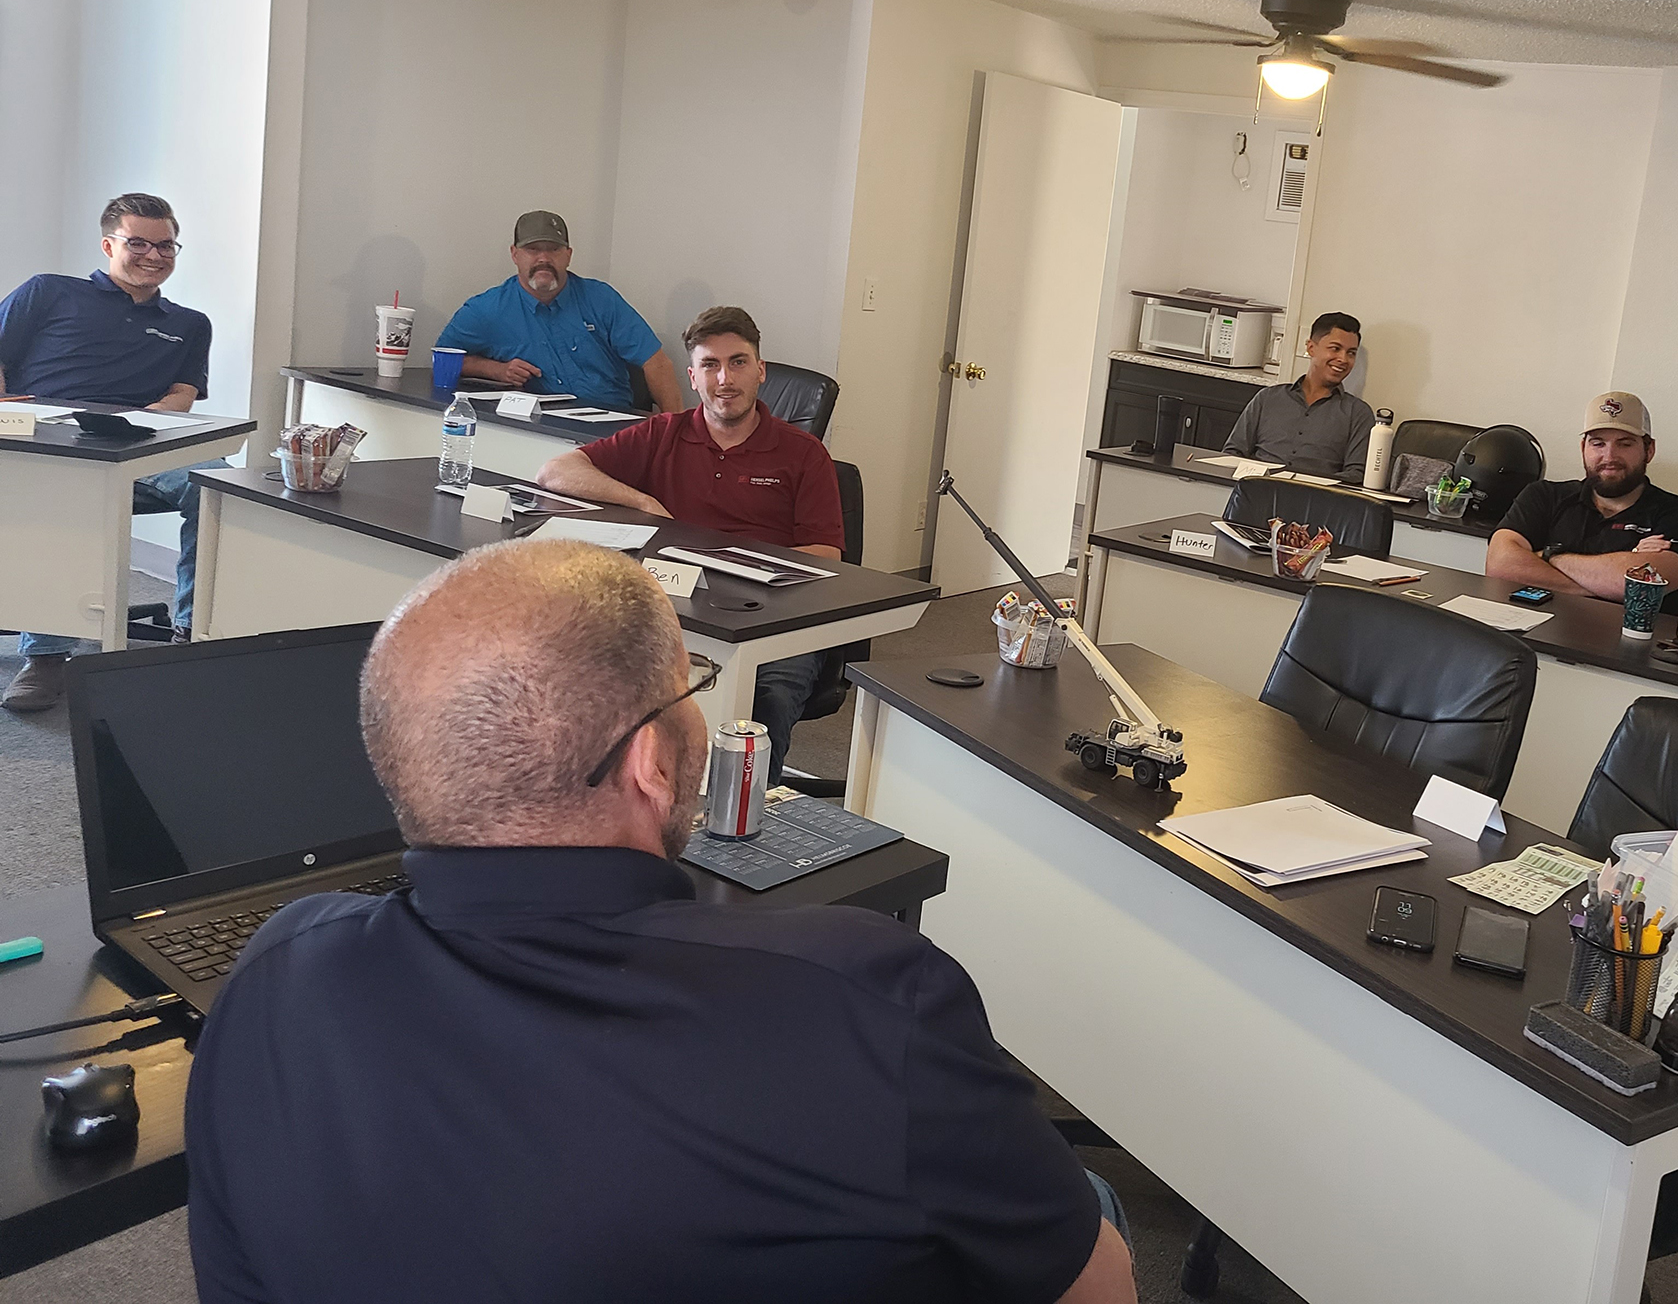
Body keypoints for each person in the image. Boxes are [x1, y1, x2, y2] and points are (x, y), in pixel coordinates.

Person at [183, 539, 1136, 1304]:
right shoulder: (862, 995)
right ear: (650, 763)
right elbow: (1096, 1288)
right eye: (689, 694)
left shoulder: (277, 975)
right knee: (1092, 1207)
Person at [537, 305, 839, 775]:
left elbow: (825, 556)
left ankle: (745, 820)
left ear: (761, 371)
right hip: (676, 606)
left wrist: (741, 569)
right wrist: (639, 499)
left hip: (773, 618)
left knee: (766, 702)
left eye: (738, 362)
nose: (725, 379)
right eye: (710, 366)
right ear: (693, 377)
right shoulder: (665, 434)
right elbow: (556, 470)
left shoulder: (804, 454)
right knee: (592, 671)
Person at [0, 193, 218, 712]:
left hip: (135, 441)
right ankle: (47, 656)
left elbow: (184, 392)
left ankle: (194, 637)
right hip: (44, 438)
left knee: (218, 489)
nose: (154, 254)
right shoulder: (49, 292)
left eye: (166, 245)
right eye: (137, 242)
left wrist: (158, 412)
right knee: (63, 496)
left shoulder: (190, 322)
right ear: (108, 245)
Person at [436, 210, 677, 412]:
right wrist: (496, 370)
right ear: (515, 254)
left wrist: (676, 432)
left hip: (611, 423)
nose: (544, 258)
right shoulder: (486, 309)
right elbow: (443, 359)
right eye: (532, 249)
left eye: (553, 249)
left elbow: (657, 363)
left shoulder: (602, 299)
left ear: (568, 255)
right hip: (539, 429)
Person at [1486, 392, 1678, 604]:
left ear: (1649, 450)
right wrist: (1605, 581)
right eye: (1598, 443)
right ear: (1583, 447)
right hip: (1532, 637)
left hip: (1630, 644)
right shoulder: (1543, 496)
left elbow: (1640, 585)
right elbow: (1500, 565)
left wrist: (1549, 555)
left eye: (1625, 444)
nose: (1609, 456)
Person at [1222, 311, 1371, 479]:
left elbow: (1356, 475)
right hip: (1258, 491)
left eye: (1351, 353)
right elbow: (1233, 454)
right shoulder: (1268, 398)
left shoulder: (1358, 414)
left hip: (1316, 500)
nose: (1343, 359)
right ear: (1311, 348)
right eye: (1335, 349)